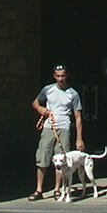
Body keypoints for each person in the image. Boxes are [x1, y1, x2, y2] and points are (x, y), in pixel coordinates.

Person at [29, 63, 84, 200]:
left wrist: (79, 138)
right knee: (42, 156)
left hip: (64, 127)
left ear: (67, 76)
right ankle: (39, 189)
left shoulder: (73, 94)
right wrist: (40, 109)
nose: (61, 79)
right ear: (54, 76)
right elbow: (35, 102)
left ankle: (57, 189)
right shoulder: (48, 90)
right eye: (58, 76)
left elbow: (77, 117)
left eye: (63, 76)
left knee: (61, 160)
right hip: (49, 126)